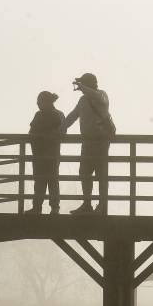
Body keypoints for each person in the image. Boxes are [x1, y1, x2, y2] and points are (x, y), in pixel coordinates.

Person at [59, 72, 115, 215]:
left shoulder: (102, 95)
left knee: (101, 174)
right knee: (84, 173)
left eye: (83, 83)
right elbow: (73, 116)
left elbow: (95, 96)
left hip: (101, 141)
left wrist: (83, 87)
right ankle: (87, 204)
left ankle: (102, 206)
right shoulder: (83, 100)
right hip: (88, 142)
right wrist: (61, 127)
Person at [27, 91, 66, 215]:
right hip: (51, 154)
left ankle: (38, 208)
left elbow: (31, 133)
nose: (38, 104)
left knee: (41, 181)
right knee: (51, 180)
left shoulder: (40, 115)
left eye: (39, 102)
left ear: (46, 102)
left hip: (41, 154)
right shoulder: (59, 114)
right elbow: (62, 133)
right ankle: (54, 208)